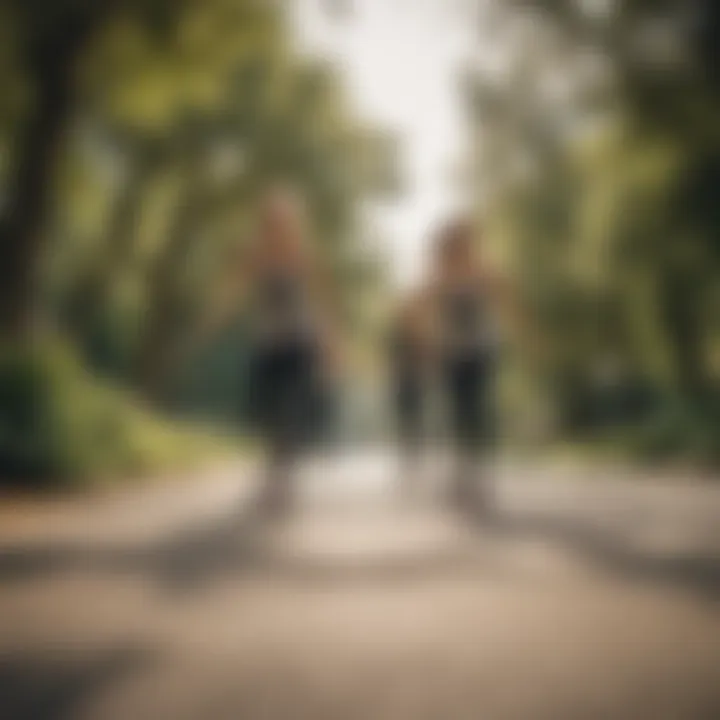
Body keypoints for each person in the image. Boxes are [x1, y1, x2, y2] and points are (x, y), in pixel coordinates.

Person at [215, 185, 340, 516]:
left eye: (284, 219)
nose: (278, 226)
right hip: (267, 340)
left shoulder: (305, 257)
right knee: (266, 407)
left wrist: (331, 344)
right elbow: (234, 288)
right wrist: (215, 317)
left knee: (291, 406)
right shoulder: (254, 255)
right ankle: (274, 469)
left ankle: (282, 476)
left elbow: (322, 303)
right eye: (272, 219)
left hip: (299, 340)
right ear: (264, 223)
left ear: (295, 223)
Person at [424, 218, 512, 512]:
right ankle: (463, 473)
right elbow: (429, 313)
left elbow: (504, 299)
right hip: (451, 354)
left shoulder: (482, 272)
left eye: (468, 241)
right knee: (459, 411)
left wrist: (519, 328)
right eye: (459, 242)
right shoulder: (440, 277)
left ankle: (478, 473)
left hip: (480, 351)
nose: (464, 247)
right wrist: (430, 345)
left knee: (479, 409)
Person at [386, 291, 432, 488]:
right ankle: (408, 451)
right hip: (401, 380)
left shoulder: (421, 333)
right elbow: (391, 357)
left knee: (416, 416)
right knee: (405, 417)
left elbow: (426, 354)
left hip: (415, 380)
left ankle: (415, 451)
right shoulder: (396, 333)